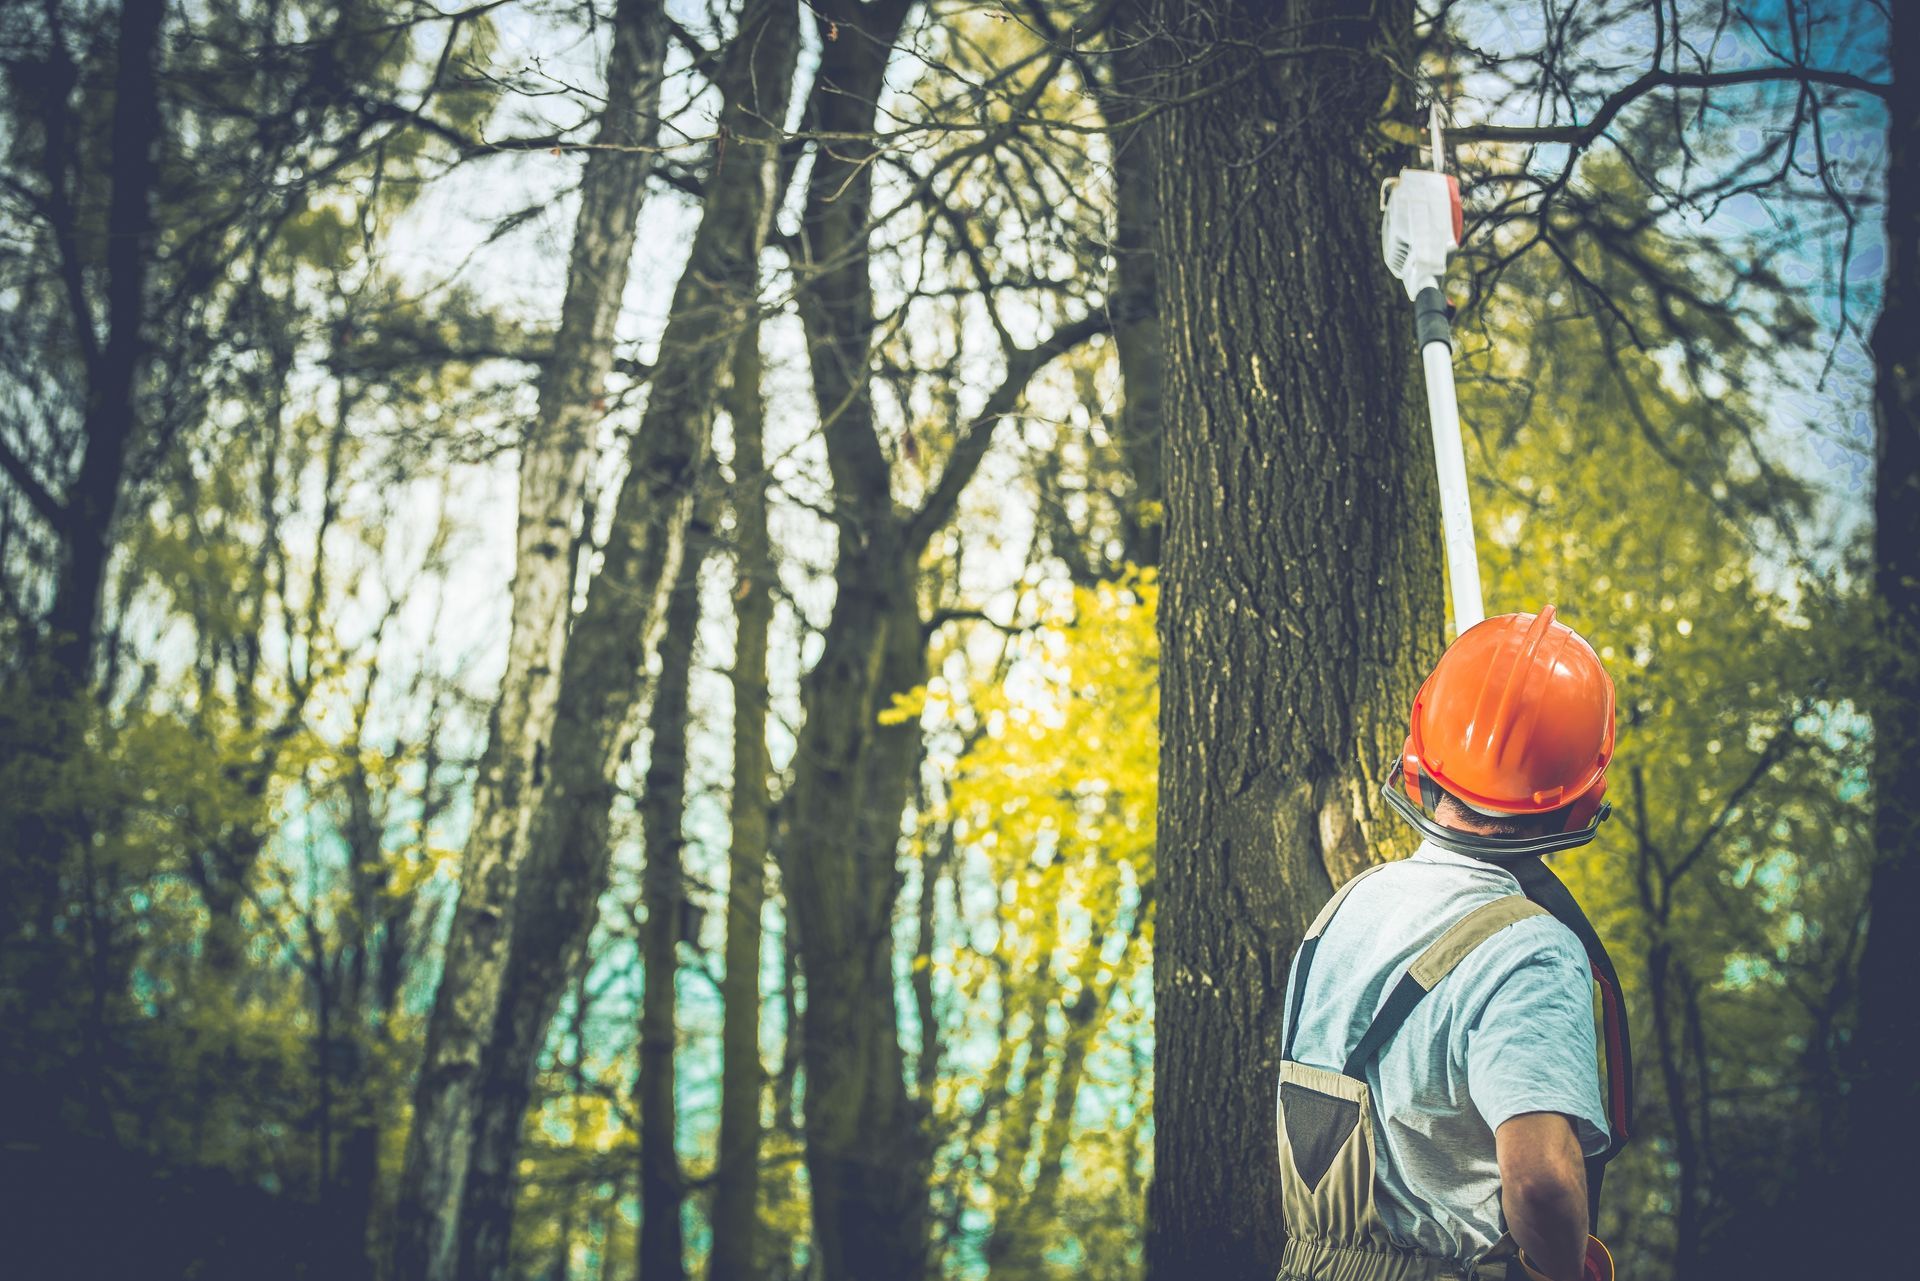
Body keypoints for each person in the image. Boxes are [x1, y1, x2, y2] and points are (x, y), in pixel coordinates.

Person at [1276, 606, 1629, 1281]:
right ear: (1579, 798)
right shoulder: (1534, 950)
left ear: (1422, 759)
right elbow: (1543, 1180)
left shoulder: (1346, 908)